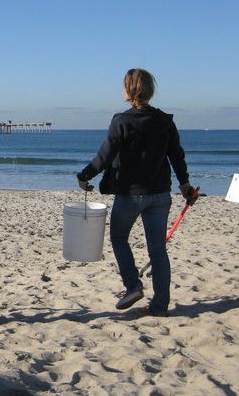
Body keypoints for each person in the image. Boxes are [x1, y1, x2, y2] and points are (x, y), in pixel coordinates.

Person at [76, 69, 195, 317]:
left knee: (119, 239)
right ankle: (160, 306)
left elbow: (104, 156)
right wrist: (185, 186)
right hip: (160, 194)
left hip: (130, 195)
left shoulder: (122, 121)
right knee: (157, 250)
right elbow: (177, 156)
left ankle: (133, 286)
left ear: (128, 91)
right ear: (150, 90)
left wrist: (84, 176)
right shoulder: (165, 121)